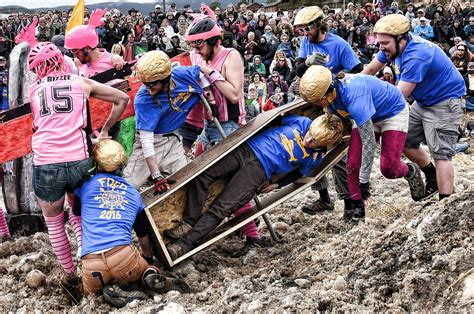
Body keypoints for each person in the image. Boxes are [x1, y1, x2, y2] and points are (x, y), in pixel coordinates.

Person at [165, 113, 344, 258]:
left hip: (259, 171)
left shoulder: (315, 157)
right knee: (202, 175)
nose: (308, 141)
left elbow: (299, 174)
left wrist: (277, 184)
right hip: (246, 149)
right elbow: (273, 120)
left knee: (222, 208)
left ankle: (184, 244)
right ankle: (190, 221)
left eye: (315, 142)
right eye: (310, 136)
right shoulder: (302, 122)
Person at [28, 42, 129, 273]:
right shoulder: (80, 81)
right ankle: (89, 266)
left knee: (54, 222)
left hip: (46, 162)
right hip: (79, 159)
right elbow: (122, 99)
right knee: (78, 211)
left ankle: (69, 272)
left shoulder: (33, 90)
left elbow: (37, 126)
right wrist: (104, 132)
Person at [300, 65, 425, 221]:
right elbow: (331, 126)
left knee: (389, 168)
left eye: (317, 101)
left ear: (326, 93)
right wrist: (320, 144)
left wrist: (364, 181)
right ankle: (357, 207)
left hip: (392, 112)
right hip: (366, 114)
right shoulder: (332, 95)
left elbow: (369, 143)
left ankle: (409, 171)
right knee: (352, 164)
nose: (317, 104)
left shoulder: (353, 97)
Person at [362, 14, 466, 201]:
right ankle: (432, 176)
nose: (380, 47)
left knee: (441, 154)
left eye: (384, 43)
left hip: (445, 101)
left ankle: (446, 203)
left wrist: (365, 109)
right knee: (404, 140)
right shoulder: (390, 47)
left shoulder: (417, 54)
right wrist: (352, 87)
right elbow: (369, 70)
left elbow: (397, 97)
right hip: (424, 101)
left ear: (401, 39)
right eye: (379, 43)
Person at [74, 139, 189, 307]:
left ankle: (105, 291)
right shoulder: (133, 193)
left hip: (92, 264)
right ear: (122, 165)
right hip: (123, 258)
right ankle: (148, 275)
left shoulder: (85, 186)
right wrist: (148, 259)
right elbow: (142, 233)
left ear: (97, 164)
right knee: (143, 270)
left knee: (90, 295)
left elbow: (77, 211)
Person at [293, 6, 362, 215]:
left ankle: (349, 203)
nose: (304, 34)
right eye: (301, 30)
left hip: (334, 102)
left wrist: (339, 77)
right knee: (309, 142)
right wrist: (307, 62)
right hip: (313, 100)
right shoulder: (306, 43)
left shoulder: (338, 44)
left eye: (307, 30)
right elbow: (297, 70)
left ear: (318, 25)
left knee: (336, 152)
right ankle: (323, 197)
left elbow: (358, 71)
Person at [121, 50, 203, 190]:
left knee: (188, 179)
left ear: (165, 78)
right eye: (145, 84)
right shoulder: (143, 99)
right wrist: (156, 175)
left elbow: (201, 71)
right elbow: (146, 140)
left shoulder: (181, 75)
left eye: (152, 85)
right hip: (153, 141)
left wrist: (210, 96)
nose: (148, 89)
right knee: (129, 186)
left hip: (173, 139)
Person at [64, 9, 125, 78]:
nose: (74, 55)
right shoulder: (78, 62)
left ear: (87, 48)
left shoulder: (114, 60)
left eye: (75, 51)